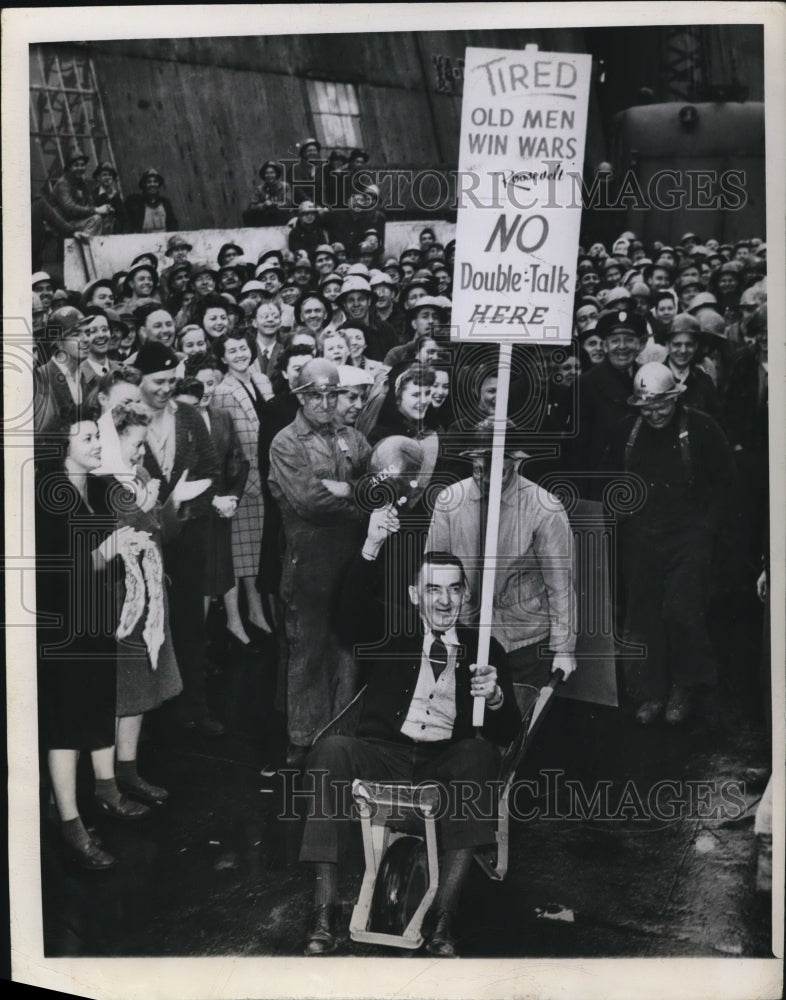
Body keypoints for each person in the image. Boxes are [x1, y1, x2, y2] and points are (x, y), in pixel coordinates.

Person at [299, 540, 522, 957]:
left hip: (446, 760)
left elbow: (508, 732)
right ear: (414, 595)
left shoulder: (486, 648)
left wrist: (495, 699)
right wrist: (369, 545)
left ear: (466, 595)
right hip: (386, 754)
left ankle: (443, 920)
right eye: (434, 589)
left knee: (479, 756)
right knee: (330, 751)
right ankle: (324, 911)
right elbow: (347, 614)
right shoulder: (390, 633)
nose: (445, 600)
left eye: (455, 589)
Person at [35, 406, 148, 871]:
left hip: (96, 618)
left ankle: (101, 794)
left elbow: (138, 519)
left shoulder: (101, 487)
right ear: (63, 447)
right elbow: (58, 571)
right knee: (65, 722)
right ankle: (69, 822)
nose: (98, 445)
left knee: (96, 704)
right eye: (87, 440)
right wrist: (109, 551)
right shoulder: (47, 494)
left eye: (97, 437)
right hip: (60, 623)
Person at [601, 363, 735, 725]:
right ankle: (649, 692)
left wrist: (707, 530)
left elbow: (725, 482)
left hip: (688, 535)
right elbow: (610, 483)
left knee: (681, 610)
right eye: (647, 407)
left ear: (676, 398)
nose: (656, 414)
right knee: (642, 615)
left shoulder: (702, 427)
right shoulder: (625, 431)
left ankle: (687, 685)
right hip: (642, 535)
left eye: (662, 405)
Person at [94, 403, 205, 805]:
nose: (142, 454)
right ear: (113, 440)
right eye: (136, 444)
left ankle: (128, 771)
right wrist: (147, 507)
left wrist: (174, 503)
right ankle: (104, 785)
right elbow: (117, 540)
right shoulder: (102, 484)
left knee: (140, 691)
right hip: (119, 600)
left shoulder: (139, 476)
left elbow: (162, 536)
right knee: (118, 696)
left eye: (144, 444)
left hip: (150, 599)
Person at [268, 358, 371, 765]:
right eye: (316, 395)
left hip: (352, 559)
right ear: (302, 396)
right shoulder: (286, 442)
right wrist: (357, 497)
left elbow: (380, 484)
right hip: (307, 560)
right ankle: (302, 739)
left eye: (333, 394)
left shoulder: (353, 436)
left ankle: (338, 737)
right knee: (308, 651)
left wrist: (346, 490)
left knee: (346, 648)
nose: (326, 403)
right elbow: (309, 501)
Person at [427, 419, 577, 687]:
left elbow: (561, 586)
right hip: (466, 634)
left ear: (516, 463)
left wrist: (564, 649)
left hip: (523, 641)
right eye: (478, 470)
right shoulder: (449, 501)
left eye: (499, 472)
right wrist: (432, 632)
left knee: (516, 721)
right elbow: (433, 573)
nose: (486, 480)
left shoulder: (545, 509)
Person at [136, 341, 222, 735]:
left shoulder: (187, 414)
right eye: (158, 380)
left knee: (189, 624)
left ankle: (195, 707)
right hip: (144, 540)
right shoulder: (128, 419)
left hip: (189, 536)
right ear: (139, 378)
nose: (166, 387)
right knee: (147, 623)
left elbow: (209, 467)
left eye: (172, 379)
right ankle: (148, 713)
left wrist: (186, 512)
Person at [212, 331, 274, 645]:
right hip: (245, 484)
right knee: (237, 556)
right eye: (232, 350)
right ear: (223, 358)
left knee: (255, 555)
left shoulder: (260, 381)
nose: (240, 354)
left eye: (243, 348)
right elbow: (230, 447)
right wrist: (246, 485)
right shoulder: (223, 391)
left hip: (264, 479)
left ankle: (256, 612)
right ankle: (234, 620)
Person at [34, 306, 92, 431]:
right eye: (76, 334)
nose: (86, 339)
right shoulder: (41, 378)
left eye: (87, 333)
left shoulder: (85, 376)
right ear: (59, 343)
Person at [49, 148, 111, 237]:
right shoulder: (63, 184)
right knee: (96, 220)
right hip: (61, 225)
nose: (80, 168)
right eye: (76, 165)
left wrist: (104, 210)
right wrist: (96, 210)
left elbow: (90, 203)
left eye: (82, 165)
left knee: (103, 221)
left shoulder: (81, 183)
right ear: (69, 167)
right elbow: (70, 208)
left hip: (75, 222)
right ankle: (82, 248)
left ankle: (85, 247)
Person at [124, 168, 178, 233]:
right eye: (149, 182)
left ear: (158, 184)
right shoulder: (136, 203)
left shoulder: (165, 203)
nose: (152, 184)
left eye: (155, 181)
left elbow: (173, 226)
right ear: (143, 184)